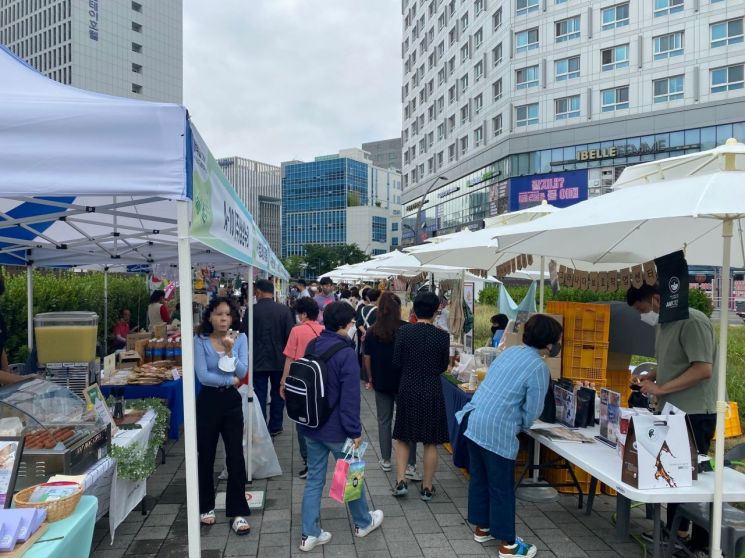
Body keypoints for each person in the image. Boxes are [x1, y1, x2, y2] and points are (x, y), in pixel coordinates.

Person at [457, 314, 562, 557]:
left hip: (474, 421)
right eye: (557, 339)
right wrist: (521, 424)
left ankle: (482, 527)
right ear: (548, 342)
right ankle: (509, 544)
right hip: (498, 430)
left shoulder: (510, 351)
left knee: (480, 479)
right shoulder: (538, 367)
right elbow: (533, 409)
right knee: (501, 487)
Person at [627, 283, 718, 554]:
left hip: (695, 411)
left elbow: (702, 369)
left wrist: (661, 388)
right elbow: (669, 360)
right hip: (671, 410)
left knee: (691, 476)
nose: (644, 316)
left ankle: (700, 541)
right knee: (670, 471)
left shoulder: (693, 321)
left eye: (643, 310)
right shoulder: (664, 324)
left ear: (656, 299)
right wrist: (651, 377)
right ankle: (676, 529)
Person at [289, 302, 384, 552]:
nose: (353, 326)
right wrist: (355, 432)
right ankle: (363, 522)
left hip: (311, 425)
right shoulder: (345, 354)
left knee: (314, 481)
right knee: (350, 476)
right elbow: (350, 399)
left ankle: (309, 534)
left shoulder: (313, 344)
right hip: (338, 430)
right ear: (343, 325)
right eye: (352, 323)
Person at [193, 297, 251, 535]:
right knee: (205, 454)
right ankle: (205, 506)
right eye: (218, 314)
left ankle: (237, 511)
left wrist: (229, 351)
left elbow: (243, 371)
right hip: (208, 401)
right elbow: (203, 375)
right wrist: (230, 380)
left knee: (235, 455)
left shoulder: (240, 339)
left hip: (231, 401)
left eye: (227, 314)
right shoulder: (200, 340)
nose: (223, 318)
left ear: (233, 318)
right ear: (210, 316)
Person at [391, 292, 450, 501]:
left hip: (408, 387)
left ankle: (400, 481)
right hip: (432, 389)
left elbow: (397, 361)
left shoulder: (404, 332)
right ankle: (427, 486)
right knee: (430, 441)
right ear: (436, 312)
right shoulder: (442, 336)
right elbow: (444, 366)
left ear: (414, 310)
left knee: (403, 437)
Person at [363, 292, 420, 479]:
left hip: (381, 382)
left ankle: (386, 460)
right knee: (408, 421)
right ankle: (411, 464)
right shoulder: (407, 329)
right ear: (398, 309)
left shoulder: (372, 331)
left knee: (383, 421)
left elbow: (367, 358)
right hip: (405, 382)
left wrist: (371, 378)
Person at [279, 297, 324, 479]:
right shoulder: (324, 330)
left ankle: (308, 461)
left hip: (299, 382)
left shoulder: (296, 331)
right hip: (320, 380)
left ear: (304, 314)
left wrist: (283, 382)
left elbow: (289, 358)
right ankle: (318, 458)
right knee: (319, 417)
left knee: (301, 421)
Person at [246, 279, 295, 437]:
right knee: (279, 392)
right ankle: (275, 425)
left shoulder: (251, 310)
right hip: (280, 358)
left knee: (259, 393)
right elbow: (290, 336)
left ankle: (261, 428)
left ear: (258, 292)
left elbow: (245, 333)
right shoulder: (284, 310)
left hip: (257, 358)